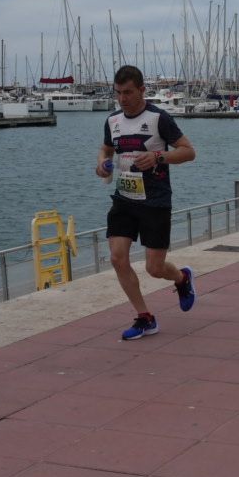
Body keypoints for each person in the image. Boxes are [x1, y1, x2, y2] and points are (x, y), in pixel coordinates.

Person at [95, 65, 198, 340]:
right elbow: (107, 147)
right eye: (118, 93)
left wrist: (158, 157)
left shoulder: (158, 118)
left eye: (128, 92)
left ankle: (182, 279)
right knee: (118, 258)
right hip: (124, 199)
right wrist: (102, 164)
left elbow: (189, 152)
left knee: (154, 268)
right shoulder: (113, 121)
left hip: (155, 200)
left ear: (142, 90)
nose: (123, 99)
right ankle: (145, 317)